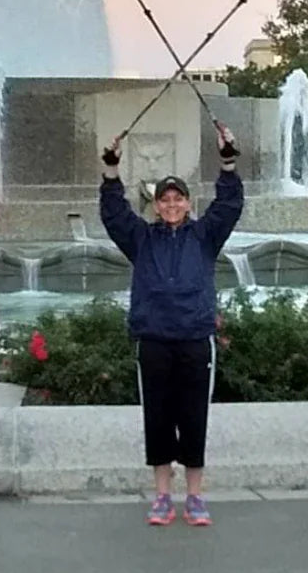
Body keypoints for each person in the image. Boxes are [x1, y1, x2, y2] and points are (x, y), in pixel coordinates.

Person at [99, 124, 243, 527]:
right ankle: (162, 495)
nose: (172, 204)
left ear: (187, 202)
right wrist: (111, 170)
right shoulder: (141, 238)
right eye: (166, 199)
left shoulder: (205, 236)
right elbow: (113, 214)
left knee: (195, 417)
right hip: (154, 339)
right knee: (158, 418)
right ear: (156, 204)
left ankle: (195, 496)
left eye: (178, 198)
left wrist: (227, 162)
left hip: (196, 337)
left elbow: (229, 205)